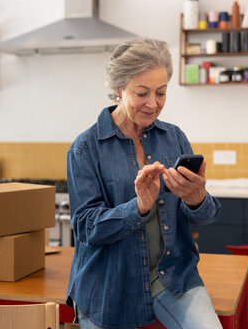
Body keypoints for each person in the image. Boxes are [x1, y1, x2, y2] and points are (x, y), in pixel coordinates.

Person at [66, 37, 223, 329]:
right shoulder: (85, 148)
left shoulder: (174, 137)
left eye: (161, 93)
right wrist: (138, 207)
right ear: (118, 88)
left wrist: (196, 198)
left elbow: (208, 215)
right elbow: (86, 227)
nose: (153, 104)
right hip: (109, 286)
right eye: (142, 93)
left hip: (173, 278)